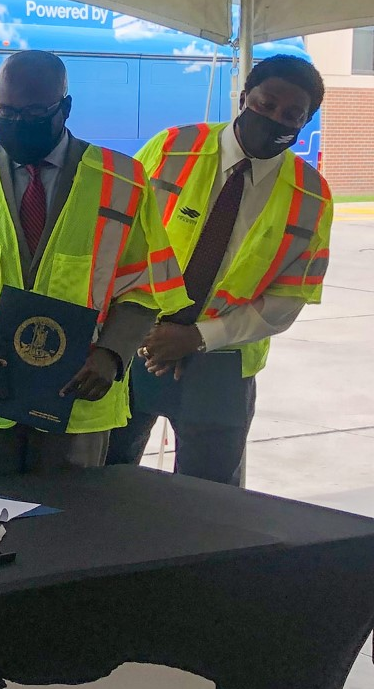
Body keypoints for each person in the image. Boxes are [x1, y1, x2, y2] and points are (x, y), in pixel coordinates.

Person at [0, 50, 190, 480]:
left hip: (78, 400)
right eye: (6, 112)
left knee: (70, 532)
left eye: (34, 111)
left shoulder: (122, 182)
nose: (17, 122)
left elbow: (146, 287)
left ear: (65, 107)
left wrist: (111, 355)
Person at [105, 56, 332, 485]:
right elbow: (115, 236)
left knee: (210, 503)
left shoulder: (312, 195)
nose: (275, 119)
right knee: (107, 480)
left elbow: (287, 299)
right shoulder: (172, 146)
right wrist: (145, 329)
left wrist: (195, 338)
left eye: (291, 115)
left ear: (305, 122)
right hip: (134, 342)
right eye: (266, 104)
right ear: (245, 98)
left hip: (222, 364)